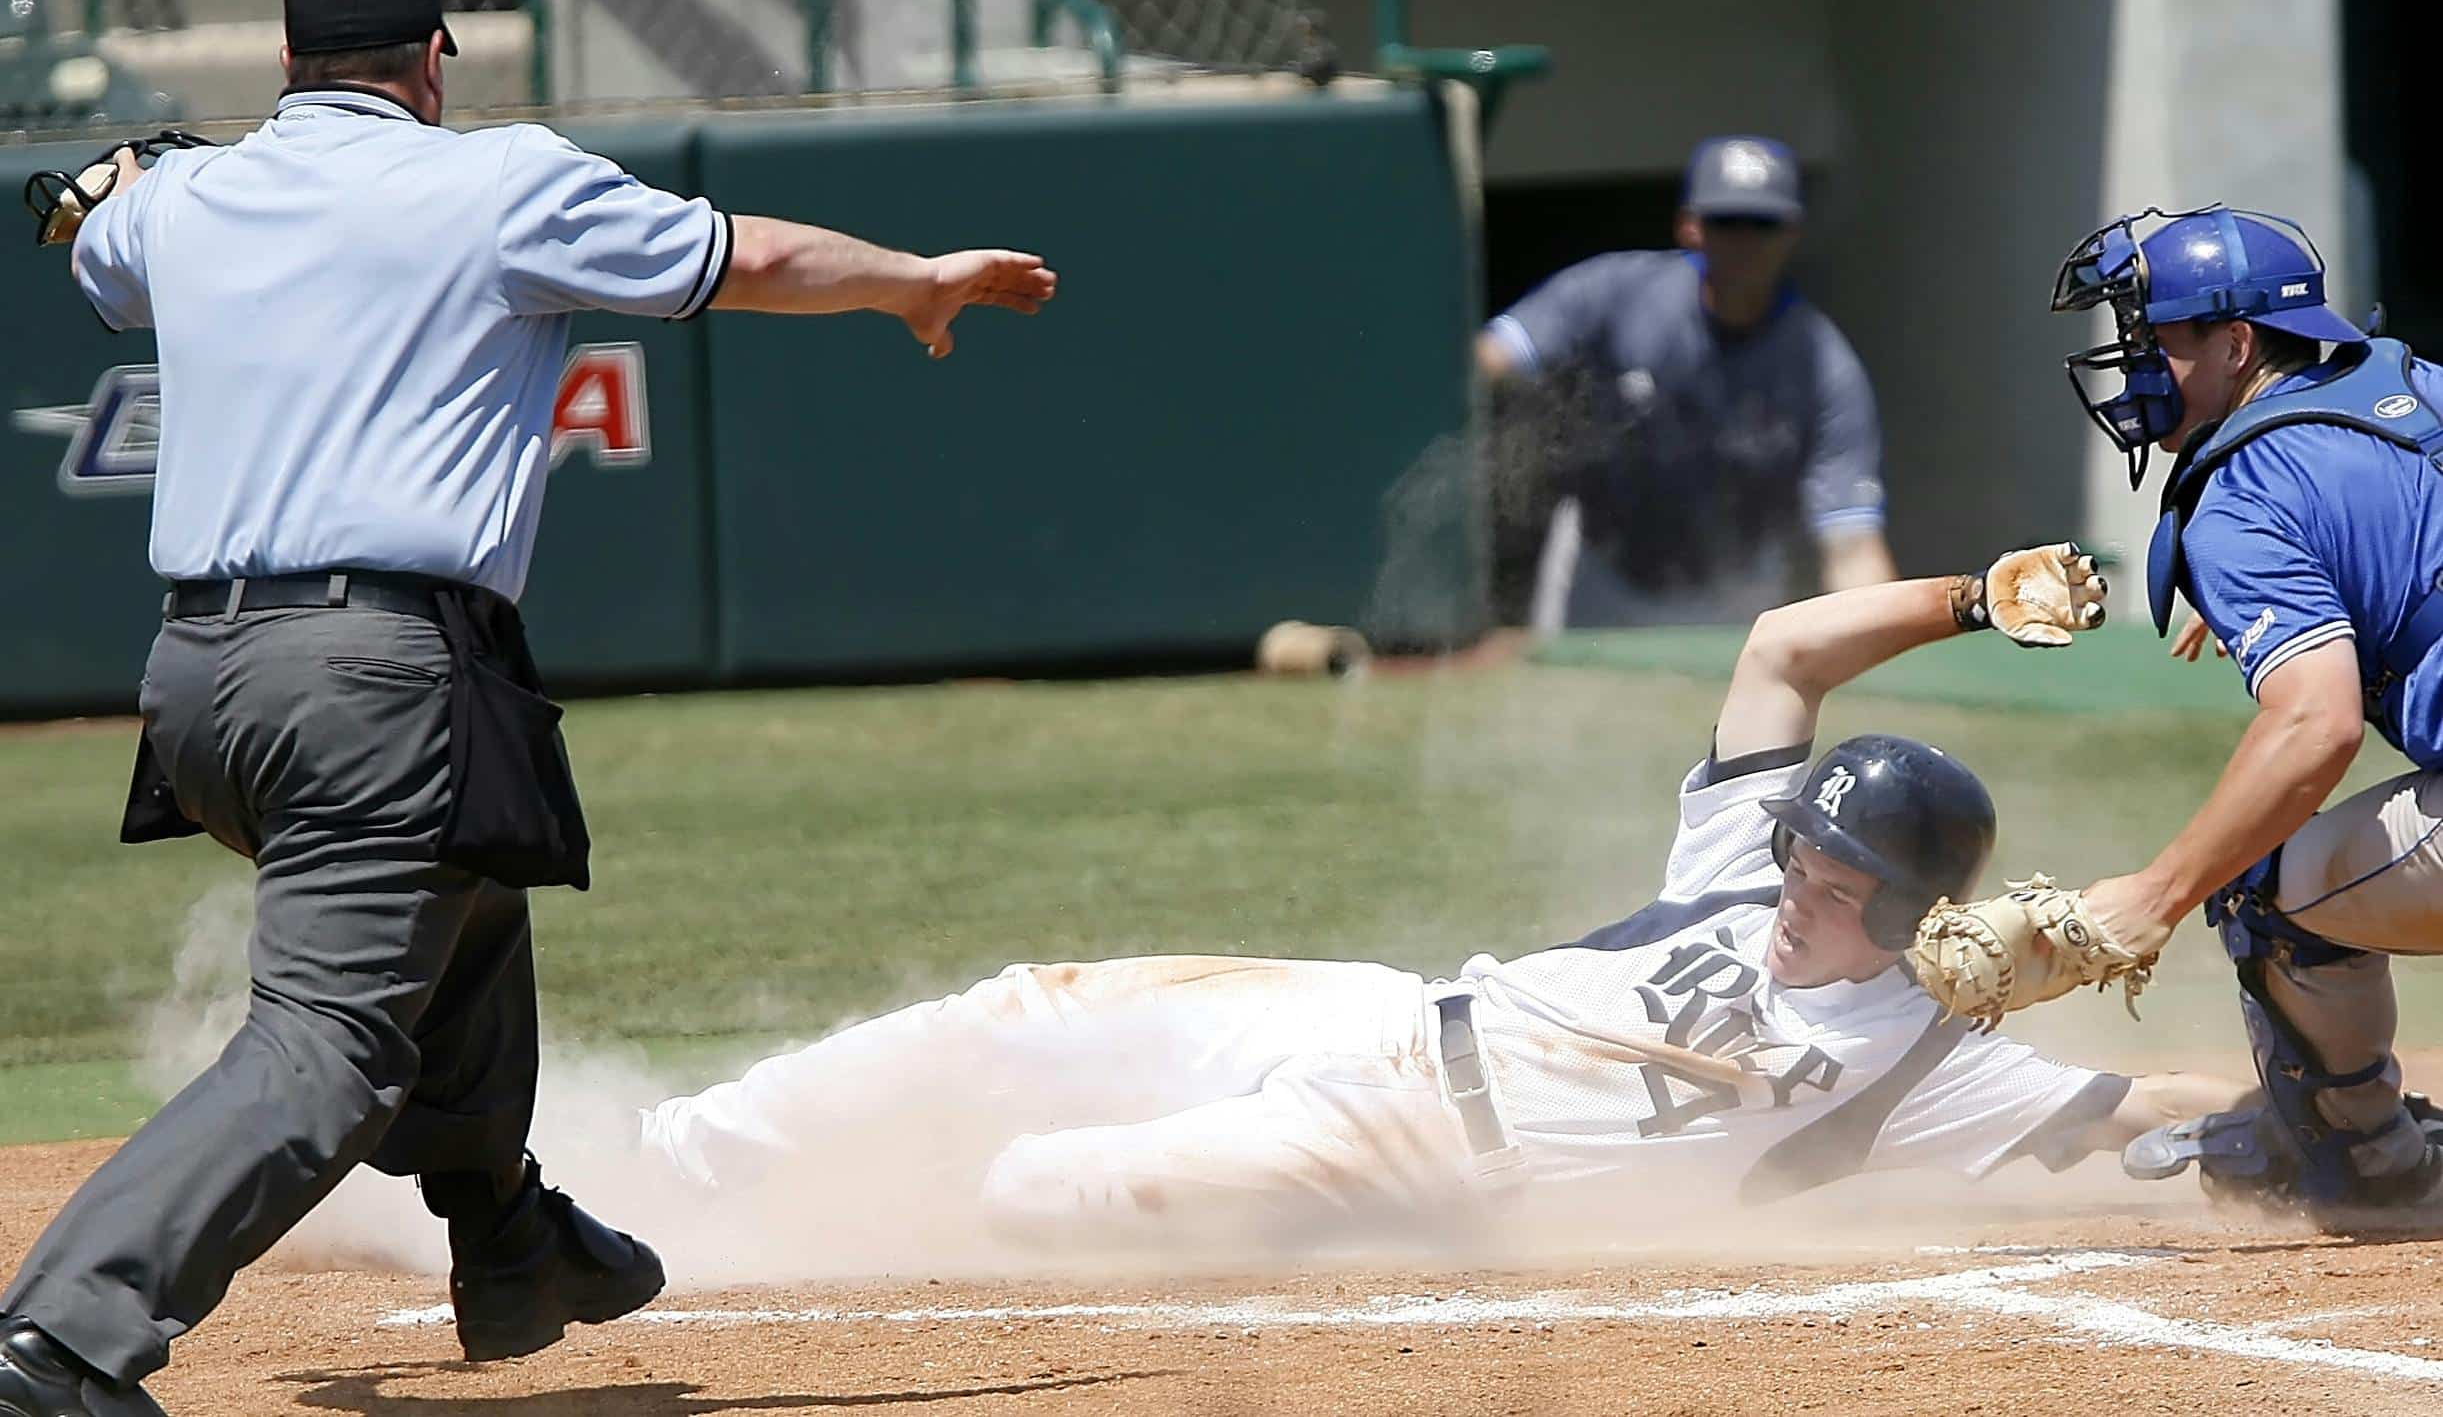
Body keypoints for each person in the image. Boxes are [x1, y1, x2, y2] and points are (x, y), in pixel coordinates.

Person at [0, 0, 1056, 1417]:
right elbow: (743, 256)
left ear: (287, 67)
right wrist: (912, 282)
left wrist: (123, 184)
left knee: (469, 889)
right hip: (374, 669)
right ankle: (59, 1335)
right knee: (330, 1044)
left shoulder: (187, 197)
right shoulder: (495, 180)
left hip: (199, 682)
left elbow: (94, 237)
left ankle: (508, 1237)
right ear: (435, 60)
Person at [631, 544, 2228, 1253]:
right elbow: (1777, 649)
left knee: (1034, 1192)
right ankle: (665, 1165)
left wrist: (2327, 1101)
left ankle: (837, 1213)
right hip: (1386, 1012)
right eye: (1797, 857)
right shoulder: (1740, 877)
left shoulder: (1926, 1066)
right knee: (1016, 1013)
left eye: (1834, 882)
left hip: (1411, 1152)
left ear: (1909, 908)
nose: (1794, 890)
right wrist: (1969, 595)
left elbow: (2134, 1101)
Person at [1988, 204, 2443, 1223]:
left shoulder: (2240, 493)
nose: (2132, 360)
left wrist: (2153, 892)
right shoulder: (2416, 386)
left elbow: (2313, 725)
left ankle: (2371, 1160)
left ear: (2237, 345)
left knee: (2257, 883)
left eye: (2155, 337)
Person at [1475, 136, 1897, 631]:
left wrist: (1887, 653)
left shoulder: (1825, 368)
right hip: (1602, 576)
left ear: (1793, 233)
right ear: (1690, 227)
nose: (1745, 241)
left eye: (1763, 224)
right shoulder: (1615, 291)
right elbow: (1489, 360)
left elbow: (1850, 543)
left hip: (1737, 595)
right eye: (1727, 222)